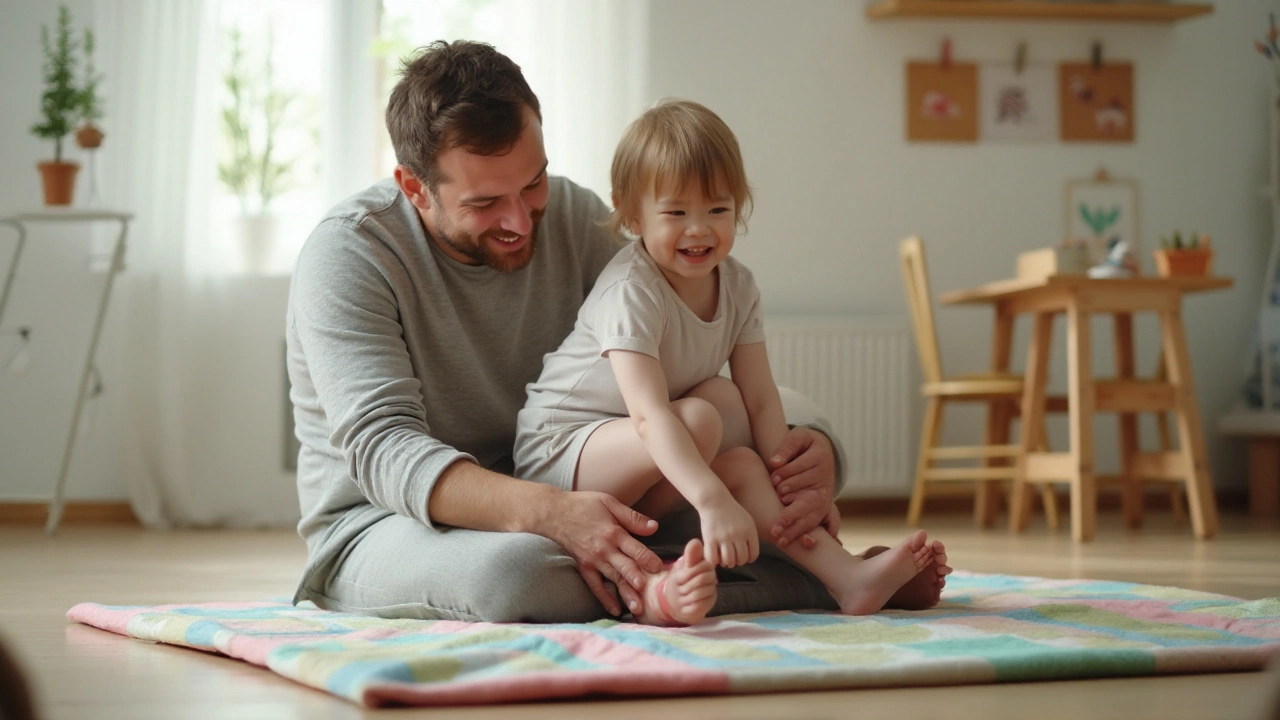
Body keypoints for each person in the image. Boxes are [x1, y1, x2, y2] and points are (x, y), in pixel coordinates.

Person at [287, 39, 947, 623]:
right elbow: (383, 451)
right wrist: (548, 513)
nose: (522, 220)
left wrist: (809, 453)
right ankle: (798, 585)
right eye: (485, 203)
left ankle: (790, 576)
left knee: (786, 456)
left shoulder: (573, 216)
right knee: (516, 576)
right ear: (413, 186)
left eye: (534, 182)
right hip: (391, 522)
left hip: (585, 484)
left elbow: (681, 377)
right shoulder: (350, 257)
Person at [513, 100, 948, 626]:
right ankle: (721, 546)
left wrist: (799, 496)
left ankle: (848, 578)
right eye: (675, 213)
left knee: (733, 431)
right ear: (632, 214)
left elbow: (762, 399)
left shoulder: (737, 285)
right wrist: (709, 497)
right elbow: (651, 416)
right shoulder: (630, 290)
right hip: (561, 454)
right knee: (700, 418)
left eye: (717, 210)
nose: (698, 230)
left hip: (648, 455)